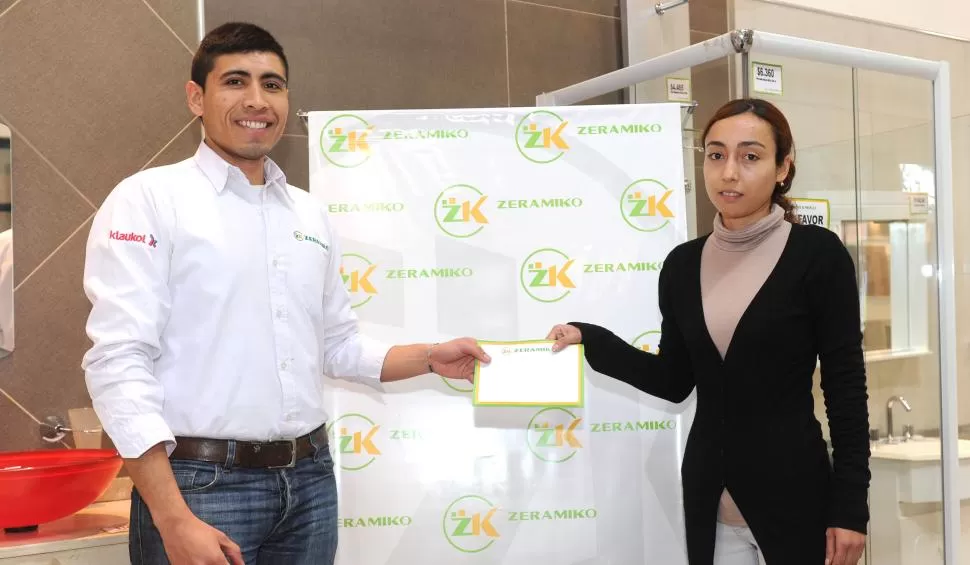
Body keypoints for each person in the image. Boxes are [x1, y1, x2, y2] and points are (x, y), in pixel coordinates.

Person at [81, 22, 489, 565]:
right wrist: (172, 517)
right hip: (201, 489)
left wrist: (430, 359)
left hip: (310, 483)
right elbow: (117, 362)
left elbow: (337, 345)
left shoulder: (308, 213)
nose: (257, 101)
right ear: (196, 98)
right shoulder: (149, 201)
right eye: (235, 82)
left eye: (272, 84)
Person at [546, 98, 870, 565]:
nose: (728, 172)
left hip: (796, 496)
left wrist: (850, 507)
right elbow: (674, 381)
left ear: (783, 168)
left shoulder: (818, 256)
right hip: (709, 501)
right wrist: (593, 339)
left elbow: (846, 388)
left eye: (750, 156)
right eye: (716, 155)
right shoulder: (682, 264)